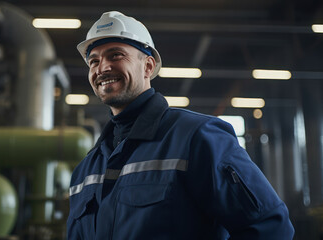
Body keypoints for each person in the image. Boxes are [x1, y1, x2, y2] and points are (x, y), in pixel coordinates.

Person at [67, 11, 294, 239]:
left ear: (148, 66)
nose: (101, 67)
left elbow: (271, 228)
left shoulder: (197, 137)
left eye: (115, 55)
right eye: (93, 60)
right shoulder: (87, 169)